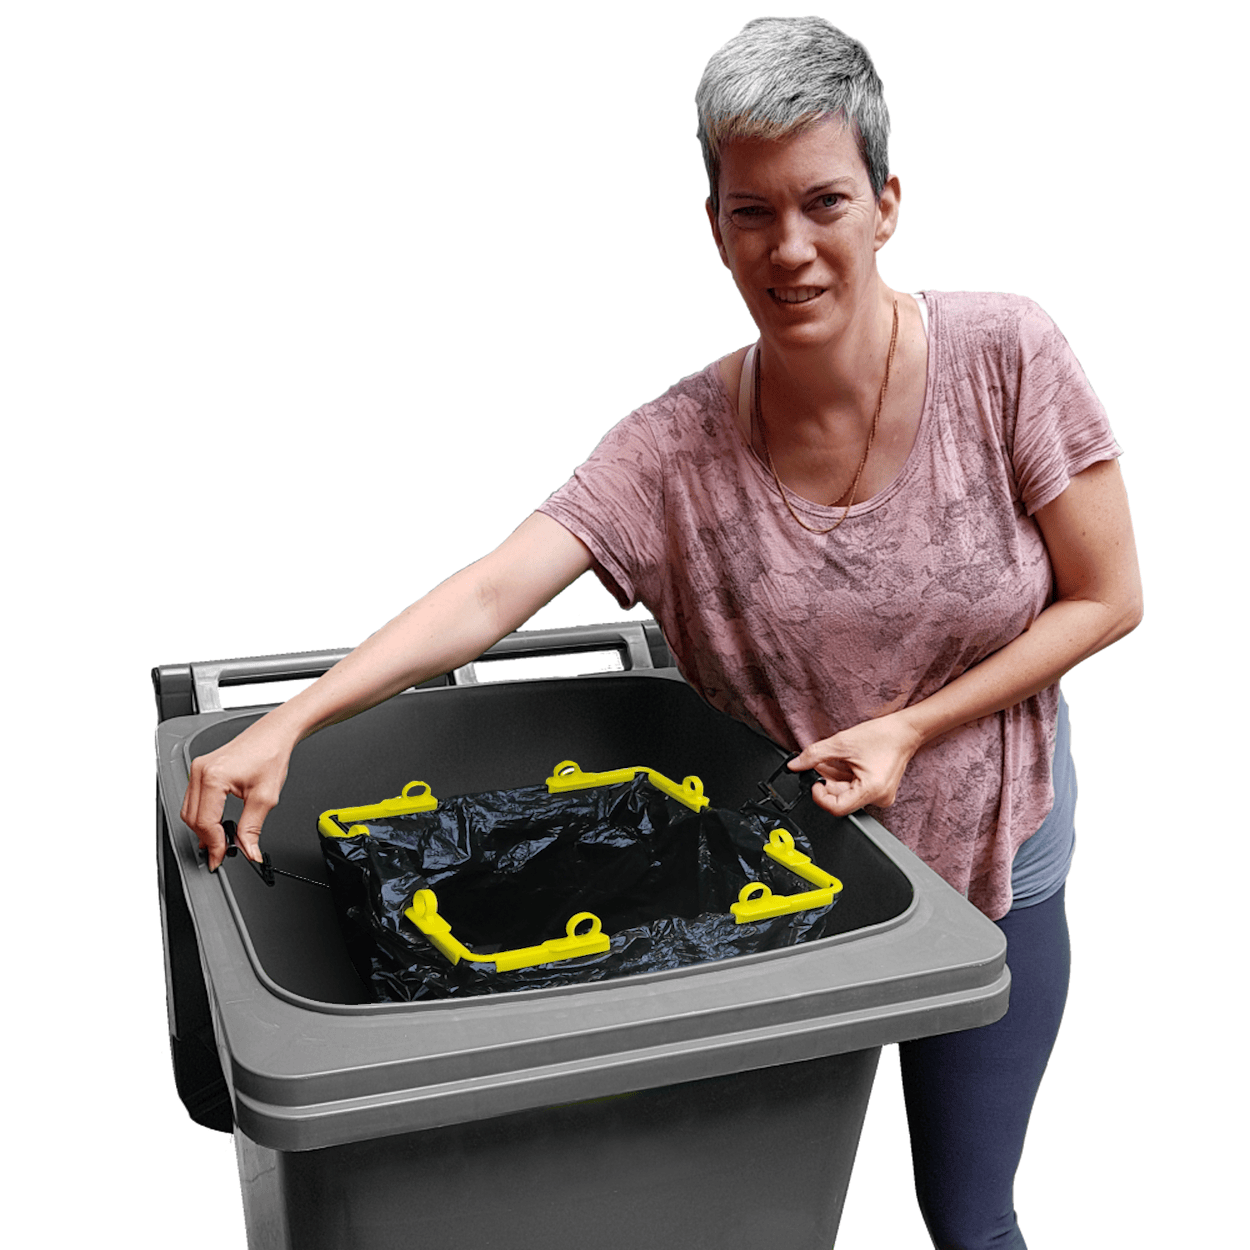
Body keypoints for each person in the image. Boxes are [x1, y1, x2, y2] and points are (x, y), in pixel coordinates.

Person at [181, 16, 1141, 1249]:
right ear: (713, 223)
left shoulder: (1005, 355)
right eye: (751, 212)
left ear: (887, 203)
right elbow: (489, 593)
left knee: (967, 1215)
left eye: (823, 203)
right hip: (781, 895)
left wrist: (913, 722)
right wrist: (291, 721)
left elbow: (1105, 594)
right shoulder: (671, 447)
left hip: (996, 851)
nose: (787, 248)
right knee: (750, 1212)